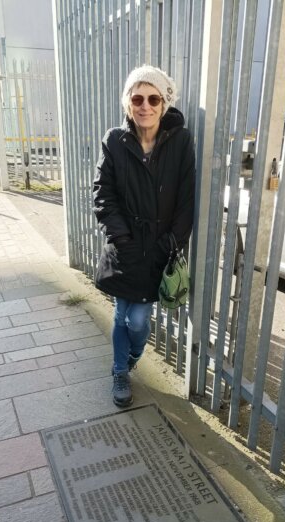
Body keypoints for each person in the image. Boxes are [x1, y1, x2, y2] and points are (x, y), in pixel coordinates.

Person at [92, 65, 196, 408]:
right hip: (125, 246)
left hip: (159, 247)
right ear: (128, 103)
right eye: (137, 98)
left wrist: (171, 242)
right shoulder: (114, 140)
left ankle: (131, 357)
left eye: (153, 98)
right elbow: (102, 195)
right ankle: (120, 370)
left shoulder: (180, 140)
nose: (145, 106)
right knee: (123, 313)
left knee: (137, 319)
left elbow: (186, 199)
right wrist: (123, 239)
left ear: (164, 103)